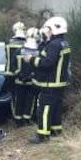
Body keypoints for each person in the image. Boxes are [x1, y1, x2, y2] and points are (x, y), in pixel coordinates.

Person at [24, 16, 71, 144]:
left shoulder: (54, 45)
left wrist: (31, 60)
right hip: (59, 83)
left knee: (44, 109)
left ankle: (42, 134)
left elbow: (48, 63)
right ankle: (56, 130)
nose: (46, 31)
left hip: (50, 83)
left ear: (54, 29)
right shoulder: (63, 43)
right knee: (55, 108)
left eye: (48, 29)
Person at [12, 27, 40, 127]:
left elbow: (12, 65)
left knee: (19, 101)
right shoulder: (39, 52)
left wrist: (19, 74)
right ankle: (27, 120)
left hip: (19, 81)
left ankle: (18, 121)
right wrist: (31, 76)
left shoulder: (18, 51)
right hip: (32, 82)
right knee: (30, 101)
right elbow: (40, 67)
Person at [4, 22, 26, 121]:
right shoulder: (27, 42)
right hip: (24, 73)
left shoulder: (8, 41)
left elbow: (7, 56)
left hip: (10, 72)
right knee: (25, 96)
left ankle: (16, 116)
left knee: (14, 97)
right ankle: (24, 117)